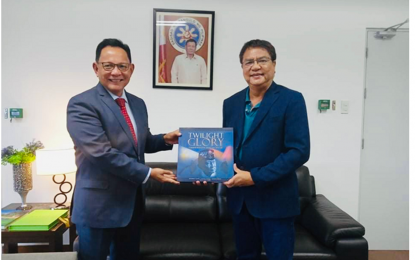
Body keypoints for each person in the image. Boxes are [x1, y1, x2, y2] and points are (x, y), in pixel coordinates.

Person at [67, 38, 181, 260]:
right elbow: (101, 153)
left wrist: (166, 139)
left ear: (131, 69)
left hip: (131, 205)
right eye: (108, 66)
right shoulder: (82, 104)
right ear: (96, 68)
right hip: (97, 207)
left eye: (122, 66)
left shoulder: (137, 103)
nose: (115, 72)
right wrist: (148, 173)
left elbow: (140, 142)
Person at [222, 39, 310, 260]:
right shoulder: (230, 103)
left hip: (276, 200)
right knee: (246, 256)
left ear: (274, 64)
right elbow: (228, 147)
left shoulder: (292, 100)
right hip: (240, 201)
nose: (255, 66)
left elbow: (299, 151)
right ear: (242, 67)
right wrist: (207, 169)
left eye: (262, 60)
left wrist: (254, 177)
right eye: (248, 62)